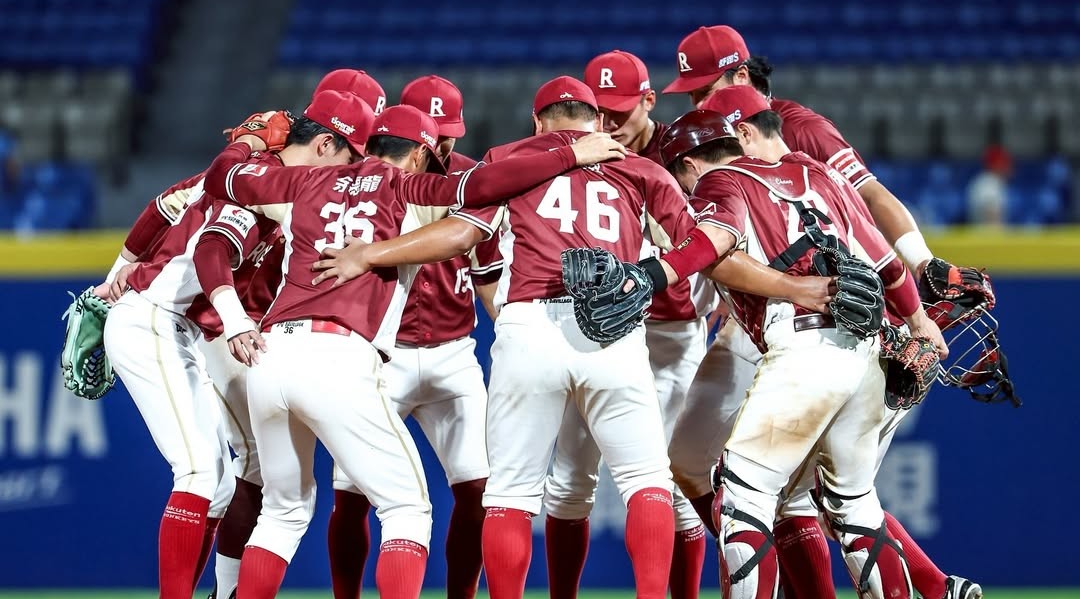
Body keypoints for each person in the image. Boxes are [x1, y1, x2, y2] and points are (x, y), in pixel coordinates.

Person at [307, 77, 835, 599]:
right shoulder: (641, 168)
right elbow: (707, 244)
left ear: (537, 122)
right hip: (615, 329)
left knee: (511, 495)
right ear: (598, 121)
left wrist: (368, 254)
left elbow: (462, 234)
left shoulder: (507, 159)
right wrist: (681, 279)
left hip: (529, 326)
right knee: (647, 482)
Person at [197, 102, 628, 599]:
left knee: (282, 512)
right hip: (338, 356)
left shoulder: (305, 182)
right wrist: (570, 155)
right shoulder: (408, 188)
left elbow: (222, 178)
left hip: (272, 355)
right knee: (406, 511)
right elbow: (488, 184)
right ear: (420, 156)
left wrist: (249, 143)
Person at [662, 25, 983, 599]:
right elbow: (881, 259)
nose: (696, 104)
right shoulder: (814, 173)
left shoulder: (742, 165)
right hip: (853, 342)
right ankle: (934, 589)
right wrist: (918, 316)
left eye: (703, 91)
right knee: (848, 501)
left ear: (740, 105)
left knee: (748, 495)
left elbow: (714, 245)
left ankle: (928, 588)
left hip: (801, 338)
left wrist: (651, 274)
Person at [100, 90, 371, 599]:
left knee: (221, 484)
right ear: (323, 145)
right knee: (200, 472)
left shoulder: (254, 169)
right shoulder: (262, 179)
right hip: (153, 319)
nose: (351, 174)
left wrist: (117, 271)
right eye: (349, 159)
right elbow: (211, 250)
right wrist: (235, 320)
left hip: (177, 326)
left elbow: (166, 204)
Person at [537, 50, 712, 599]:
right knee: (569, 479)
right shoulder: (570, 154)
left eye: (621, 109)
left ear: (649, 100)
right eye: (602, 110)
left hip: (672, 334)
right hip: (596, 333)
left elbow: (719, 237)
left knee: (672, 480)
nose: (610, 122)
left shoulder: (684, 150)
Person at [325, 74, 501, 599]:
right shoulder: (364, 181)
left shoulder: (469, 179)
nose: (445, 145)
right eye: (436, 135)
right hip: (382, 354)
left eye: (451, 134)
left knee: (479, 489)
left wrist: (510, 334)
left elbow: (488, 273)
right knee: (351, 493)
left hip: (454, 350)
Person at [967, 145, 1011, 226]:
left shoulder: (995, 182)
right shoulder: (988, 183)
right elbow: (991, 215)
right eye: (1004, 164)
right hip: (984, 232)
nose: (1008, 168)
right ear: (996, 165)